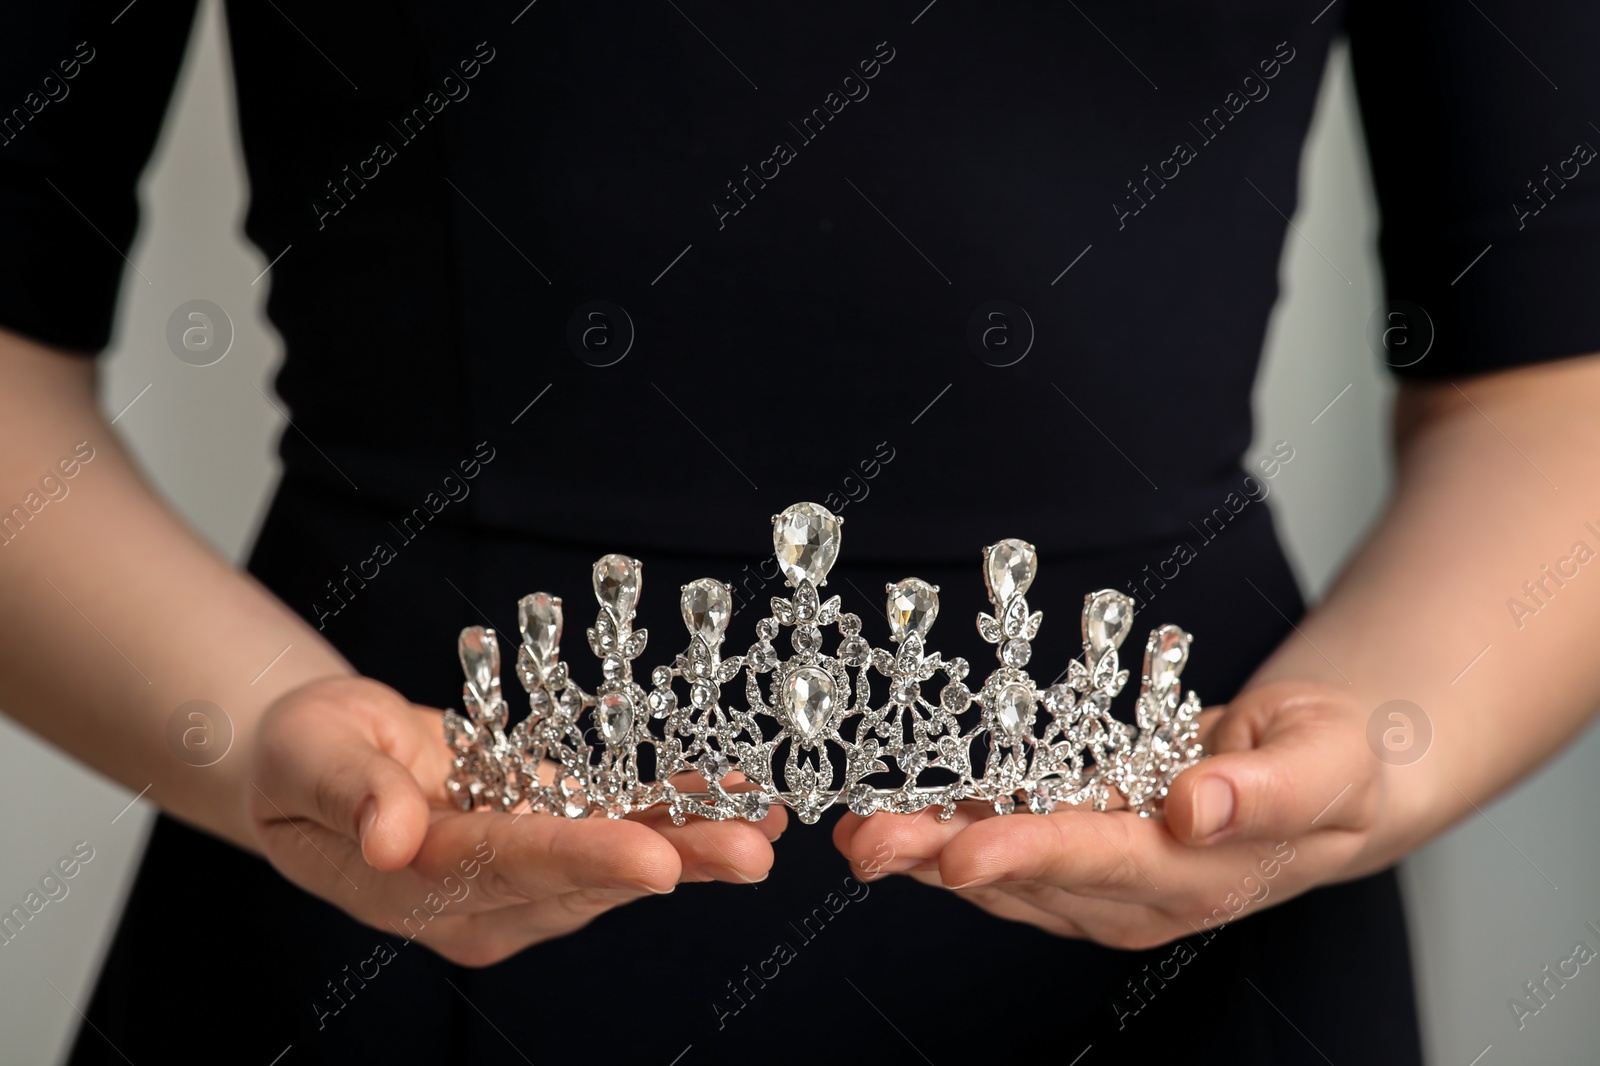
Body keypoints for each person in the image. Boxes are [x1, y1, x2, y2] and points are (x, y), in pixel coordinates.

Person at [3, 2, 1598, 1063]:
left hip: (1190, 903)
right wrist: (247, 727)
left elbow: (1551, 382)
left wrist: (1386, 745)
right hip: (366, 864)